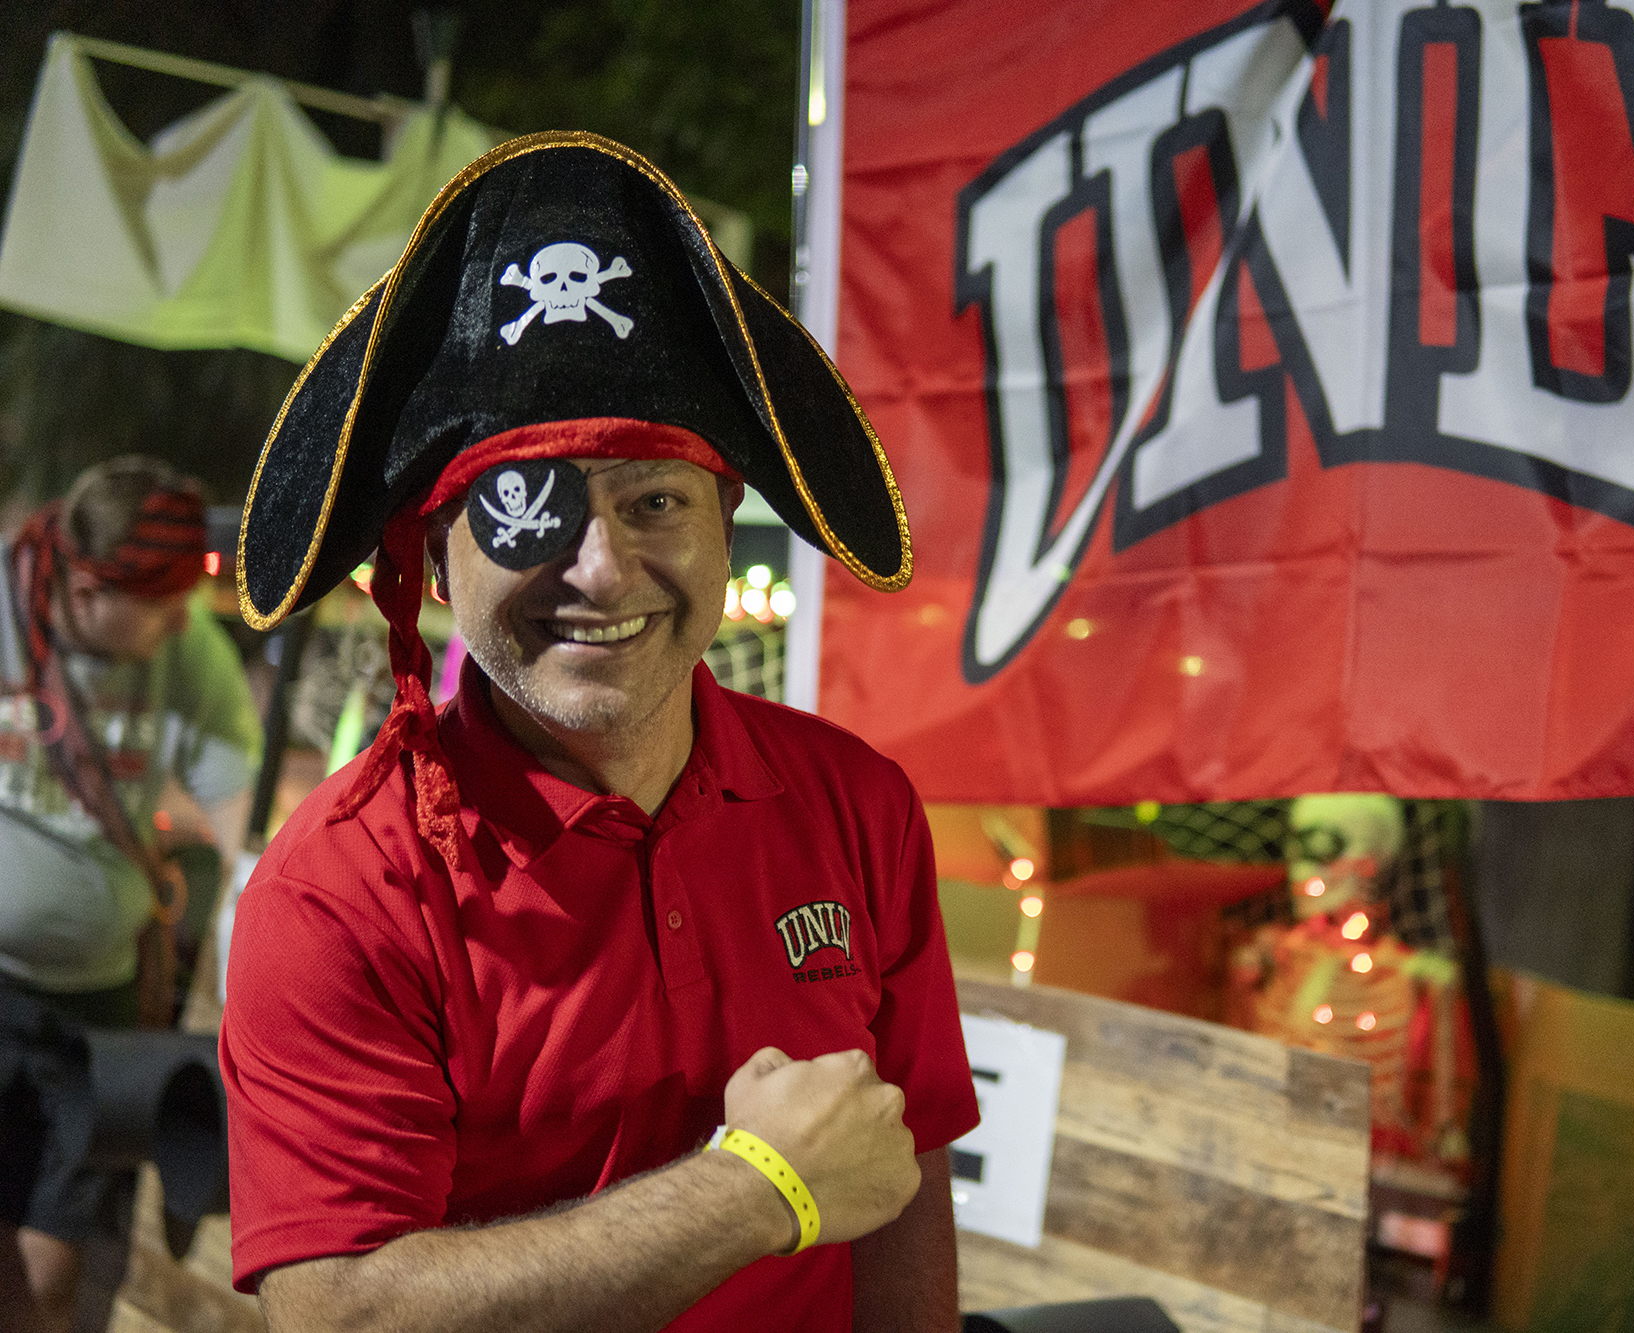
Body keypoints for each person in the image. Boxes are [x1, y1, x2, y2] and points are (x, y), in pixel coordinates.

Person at [220, 132, 978, 1332]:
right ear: (428, 559)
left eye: (654, 501)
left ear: (727, 528)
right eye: (530, 508)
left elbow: (900, 1163)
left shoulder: (853, 805)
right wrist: (755, 1191)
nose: (601, 568)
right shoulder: (340, 891)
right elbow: (337, 1313)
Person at [0, 455, 259, 1332]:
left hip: (102, 1011)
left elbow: (242, 827)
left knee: (51, 1276)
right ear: (84, 587)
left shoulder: (186, 650)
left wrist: (246, 924)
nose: (183, 620)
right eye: (161, 604)